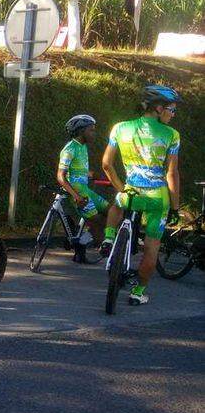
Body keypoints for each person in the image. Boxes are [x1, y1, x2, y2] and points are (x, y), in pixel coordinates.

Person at [99, 85, 181, 306]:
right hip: (157, 199)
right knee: (151, 248)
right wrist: (175, 207)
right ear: (159, 108)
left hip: (130, 193)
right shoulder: (172, 135)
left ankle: (108, 236)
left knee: (118, 203)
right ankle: (138, 292)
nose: (173, 115)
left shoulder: (119, 128)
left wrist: (121, 187)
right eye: (172, 110)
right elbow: (172, 174)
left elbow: (106, 164)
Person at [57, 114, 107, 263]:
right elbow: (61, 176)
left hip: (86, 190)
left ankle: (81, 242)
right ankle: (105, 253)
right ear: (81, 131)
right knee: (98, 223)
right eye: (91, 130)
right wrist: (77, 197)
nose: (94, 133)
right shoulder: (69, 149)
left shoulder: (83, 147)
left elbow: (76, 169)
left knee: (113, 213)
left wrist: (89, 173)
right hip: (77, 193)